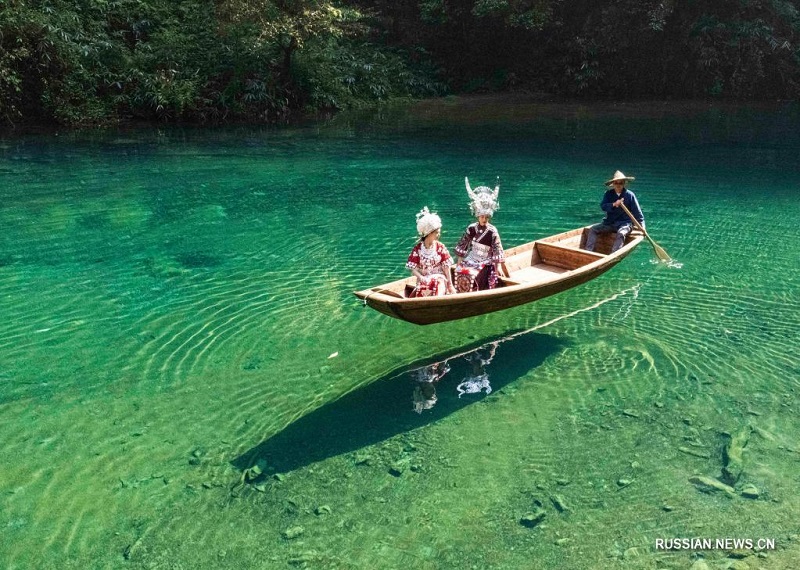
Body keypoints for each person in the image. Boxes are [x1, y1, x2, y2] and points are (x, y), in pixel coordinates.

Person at [453, 177, 509, 292]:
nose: (484, 219)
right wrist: (459, 263)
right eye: (482, 217)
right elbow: (463, 245)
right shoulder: (471, 228)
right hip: (472, 257)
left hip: (486, 260)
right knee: (460, 272)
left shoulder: (492, 231)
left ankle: (474, 291)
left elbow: (497, 250)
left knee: (475, 274)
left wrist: (498, 267)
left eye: (486, 217)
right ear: (477, 216)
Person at [584, 170, 646, 253]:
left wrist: (642, 228)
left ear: (624, 183)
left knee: (621, 233)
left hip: (625, 223)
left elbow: (638, 213)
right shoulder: (608, 194)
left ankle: (614, 254)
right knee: (593, 229)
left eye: (620, 183)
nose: (618, 185)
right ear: (613, 184)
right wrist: (614, 204)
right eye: (616, 183)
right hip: (610, 223)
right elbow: (603, 206)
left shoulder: (630, 195)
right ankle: (588, 251)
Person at [406, 207, 456, 297]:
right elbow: (413, 269)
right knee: (422, 289)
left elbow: (446, 268)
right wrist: (420, 277)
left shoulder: (440, 247)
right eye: (436, 232)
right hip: (424, 279)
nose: (438, 235)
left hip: (439, 278)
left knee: (437, 283)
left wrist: (450, 285)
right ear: (429, 233)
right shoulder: (418, 249)